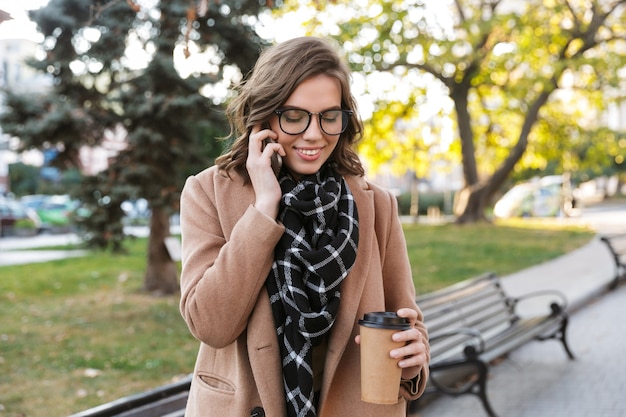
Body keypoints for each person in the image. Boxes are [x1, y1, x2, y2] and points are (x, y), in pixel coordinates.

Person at [179, 36, 429, 417]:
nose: (314, 134)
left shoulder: (377, 205)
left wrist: (413, 358)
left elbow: (406, 320)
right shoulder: (208, 192)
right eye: (294, 116)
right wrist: (264, 209)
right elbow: (210, 324)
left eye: (329, 116)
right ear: (263, 116)